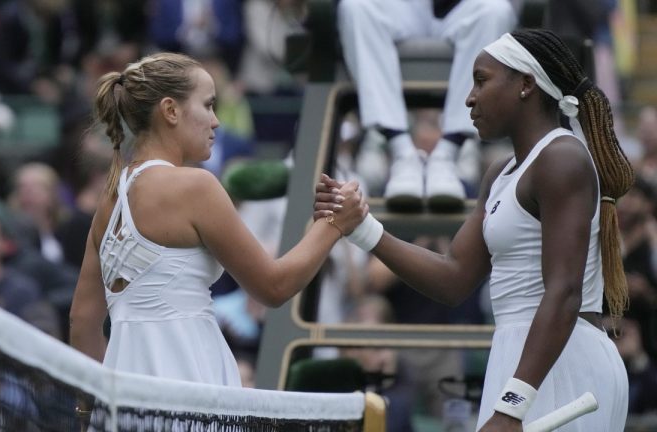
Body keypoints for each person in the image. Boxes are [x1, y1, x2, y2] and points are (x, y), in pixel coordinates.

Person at [315, 28, 633, 431]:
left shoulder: (562, 158)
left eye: (481, 80)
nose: (469, 97)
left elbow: (564, 292)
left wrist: (512, 405)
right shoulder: (500, 174)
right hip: (524, 364)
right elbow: (453, 278)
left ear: (526, 85)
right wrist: (362, 227)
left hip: (563, 364)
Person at [68, 53, 365, 399]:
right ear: (171, 111)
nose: (216, 122)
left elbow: (83, 321)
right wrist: (334, 224)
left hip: (121, 399)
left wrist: (91, 410)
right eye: (208, 106)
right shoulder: (196, 187)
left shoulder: (109, 198)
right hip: (192, 384)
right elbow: (274, 286)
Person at [337, 0, 516, 210]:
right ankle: (402, 154)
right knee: (356, 7)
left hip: (461, 7)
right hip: (401, 8)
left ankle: (448, 155)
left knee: (496, 11)